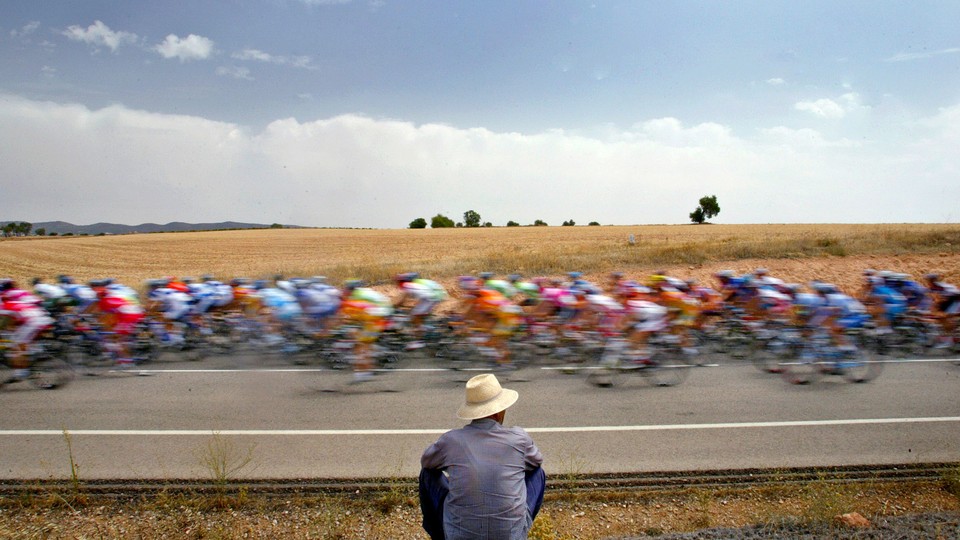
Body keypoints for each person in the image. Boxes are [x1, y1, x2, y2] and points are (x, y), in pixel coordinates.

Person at [419, 373, 545, 540]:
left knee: (427, 475)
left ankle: (439, 534)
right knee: (538, 473)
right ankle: (518, 524)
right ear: (499, 411)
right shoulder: (519, 439)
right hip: (511, 536)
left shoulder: (451, 441)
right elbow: (536, 461)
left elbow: (426, 463)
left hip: (459, 535)